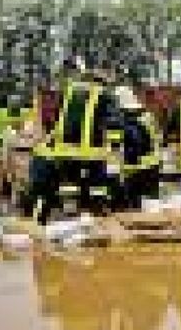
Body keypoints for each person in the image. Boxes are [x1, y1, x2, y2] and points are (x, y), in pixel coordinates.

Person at [28, 58, 123, 223]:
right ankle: (95, 218)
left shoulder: (70, 91)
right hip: (91, 153)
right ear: (105, 77)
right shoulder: (105, 94)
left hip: (64, 151)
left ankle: (69, 218)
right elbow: (113, 122)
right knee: (97, 189)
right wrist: (115, 147)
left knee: (69, 187)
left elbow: (57, 118)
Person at [114, 85, 159, 210]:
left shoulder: (126, 121)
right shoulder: (147, 116)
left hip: (135, 168)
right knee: (149, 205)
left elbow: (133, 145)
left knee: (134, 206)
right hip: (152, 165)